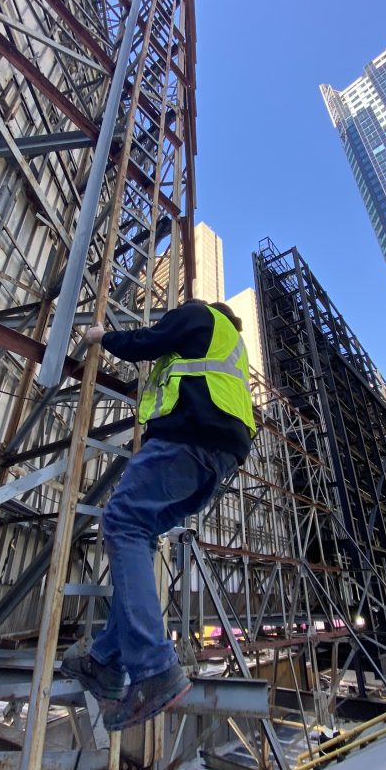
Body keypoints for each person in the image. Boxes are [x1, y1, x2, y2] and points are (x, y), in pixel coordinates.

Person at [61, 299, 256, 731]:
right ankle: (105, 661)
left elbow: (148, 341)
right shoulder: (231, 342)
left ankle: (152, 666)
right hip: (217, 458)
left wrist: (101, 337)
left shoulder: (200, 316)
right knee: (140, 533)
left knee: (123, 522)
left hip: (188, 440)